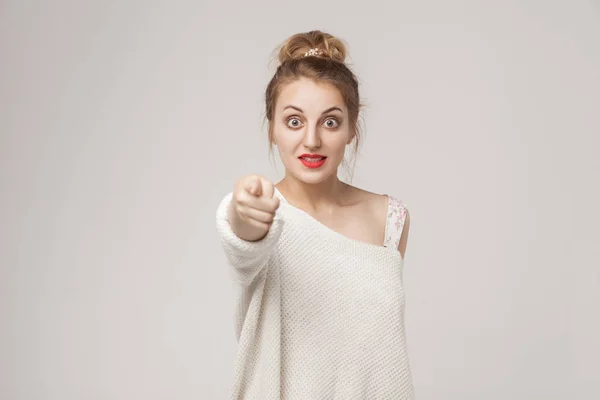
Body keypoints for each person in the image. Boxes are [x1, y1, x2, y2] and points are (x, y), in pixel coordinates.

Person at [215, 30, 414, 399]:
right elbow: (244, 239)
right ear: (272, 128)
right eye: (294, 121)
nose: (311, 140)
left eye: (330, 121)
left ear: (352, 128)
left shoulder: (391, 219)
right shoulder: (263, 212)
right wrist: (244, 207)